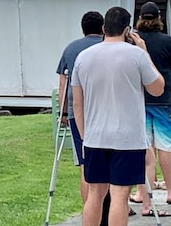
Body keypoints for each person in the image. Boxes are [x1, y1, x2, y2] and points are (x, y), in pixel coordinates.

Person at [71, 6, 165, 224]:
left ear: (104, 28)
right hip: (127, 138)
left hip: (95, 136)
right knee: (120, 197)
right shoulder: (136, 55)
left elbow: (77, 101)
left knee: (95, 194)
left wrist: (85, 136)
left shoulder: (83, 57)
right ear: (128, 29)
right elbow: (157, 88)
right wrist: (144, 51)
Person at [55, 11, 110, 221]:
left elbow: (63, 83)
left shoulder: (71, 48)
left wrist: (63, 112)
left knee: (86, 164)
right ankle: (109, 208)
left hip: (78, 112)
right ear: (103, 28)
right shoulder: (109, 46)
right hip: (104, 109)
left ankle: (90, 210)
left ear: (82, 28)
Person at [130, 2, 171, 208]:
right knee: (165, 148)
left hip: (140, 99)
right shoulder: (167, 41)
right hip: (163, 99)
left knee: (145, 149)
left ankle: (141, 192)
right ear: (159, 18)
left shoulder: (133, 41)